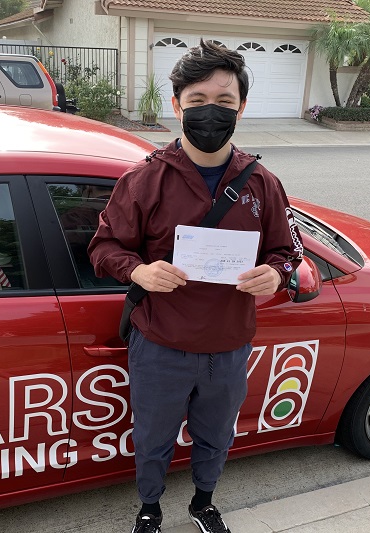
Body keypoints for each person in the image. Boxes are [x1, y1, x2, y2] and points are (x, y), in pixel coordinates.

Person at [88, 40, 304, 533]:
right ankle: (149, 508)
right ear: (177, 105)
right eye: (198, 100)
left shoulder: (262, 183)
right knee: (153, 437)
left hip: (228, 345)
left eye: (225, 102)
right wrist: (137, 271)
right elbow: (103, 248)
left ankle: (203, 503)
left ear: (242, 108)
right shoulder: (143, 181)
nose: (212, 112)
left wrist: (277, 274)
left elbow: (286, 252)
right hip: (160, 342)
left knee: (215, 436)